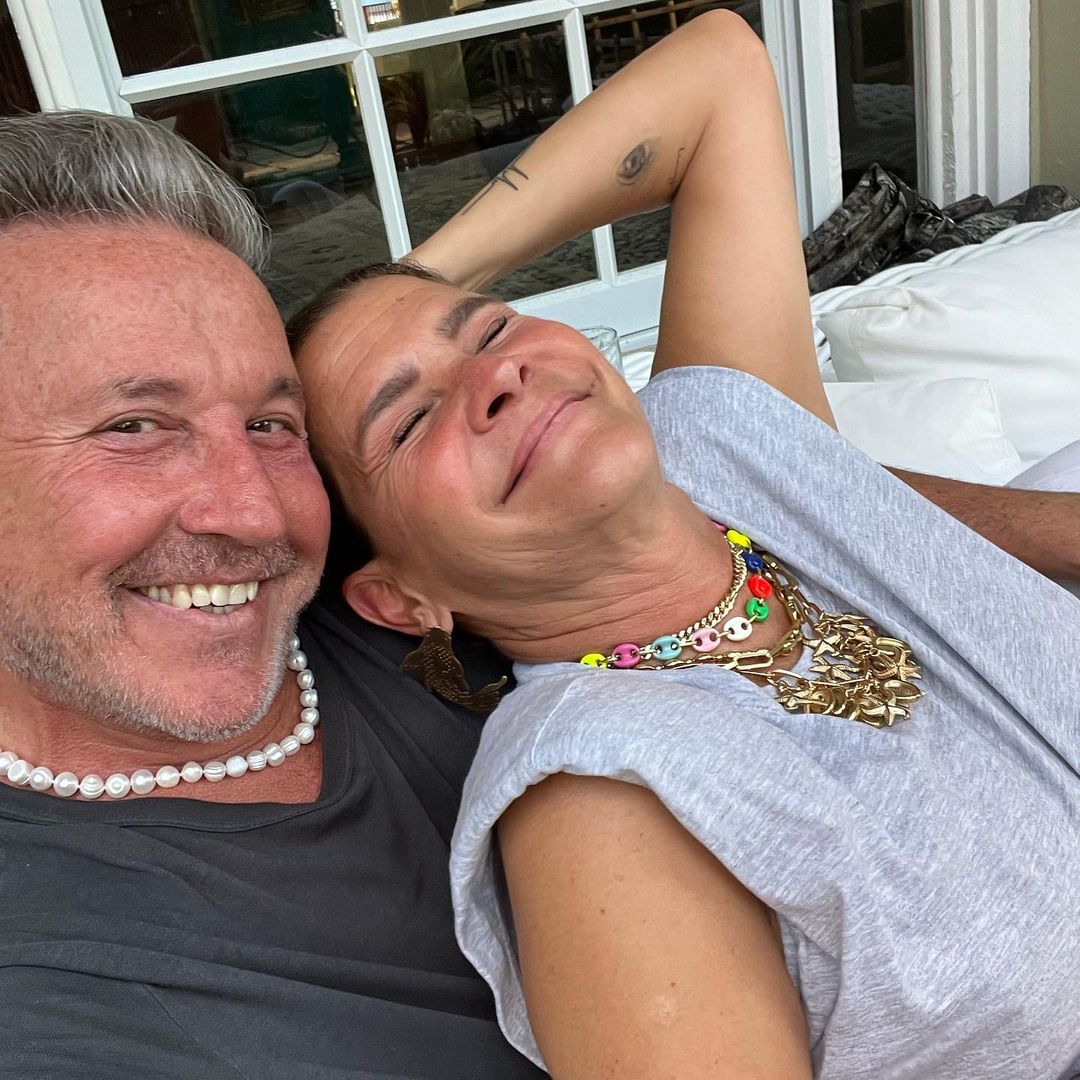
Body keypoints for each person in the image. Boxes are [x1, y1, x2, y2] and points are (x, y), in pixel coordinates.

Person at [290, 13, 1080, 1079]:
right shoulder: (602, 797)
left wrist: (388, 294)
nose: (496, 377)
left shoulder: (719, 435)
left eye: (491, 328)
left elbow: (717, 69)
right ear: (403, 598)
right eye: (410, 420)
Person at [0, 111, 544, 1079]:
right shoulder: (52, 1001)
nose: (256, 516)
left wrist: (395, 306)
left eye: (270, 422)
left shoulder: (386, 568)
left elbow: (715, 85)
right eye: (134, 426)